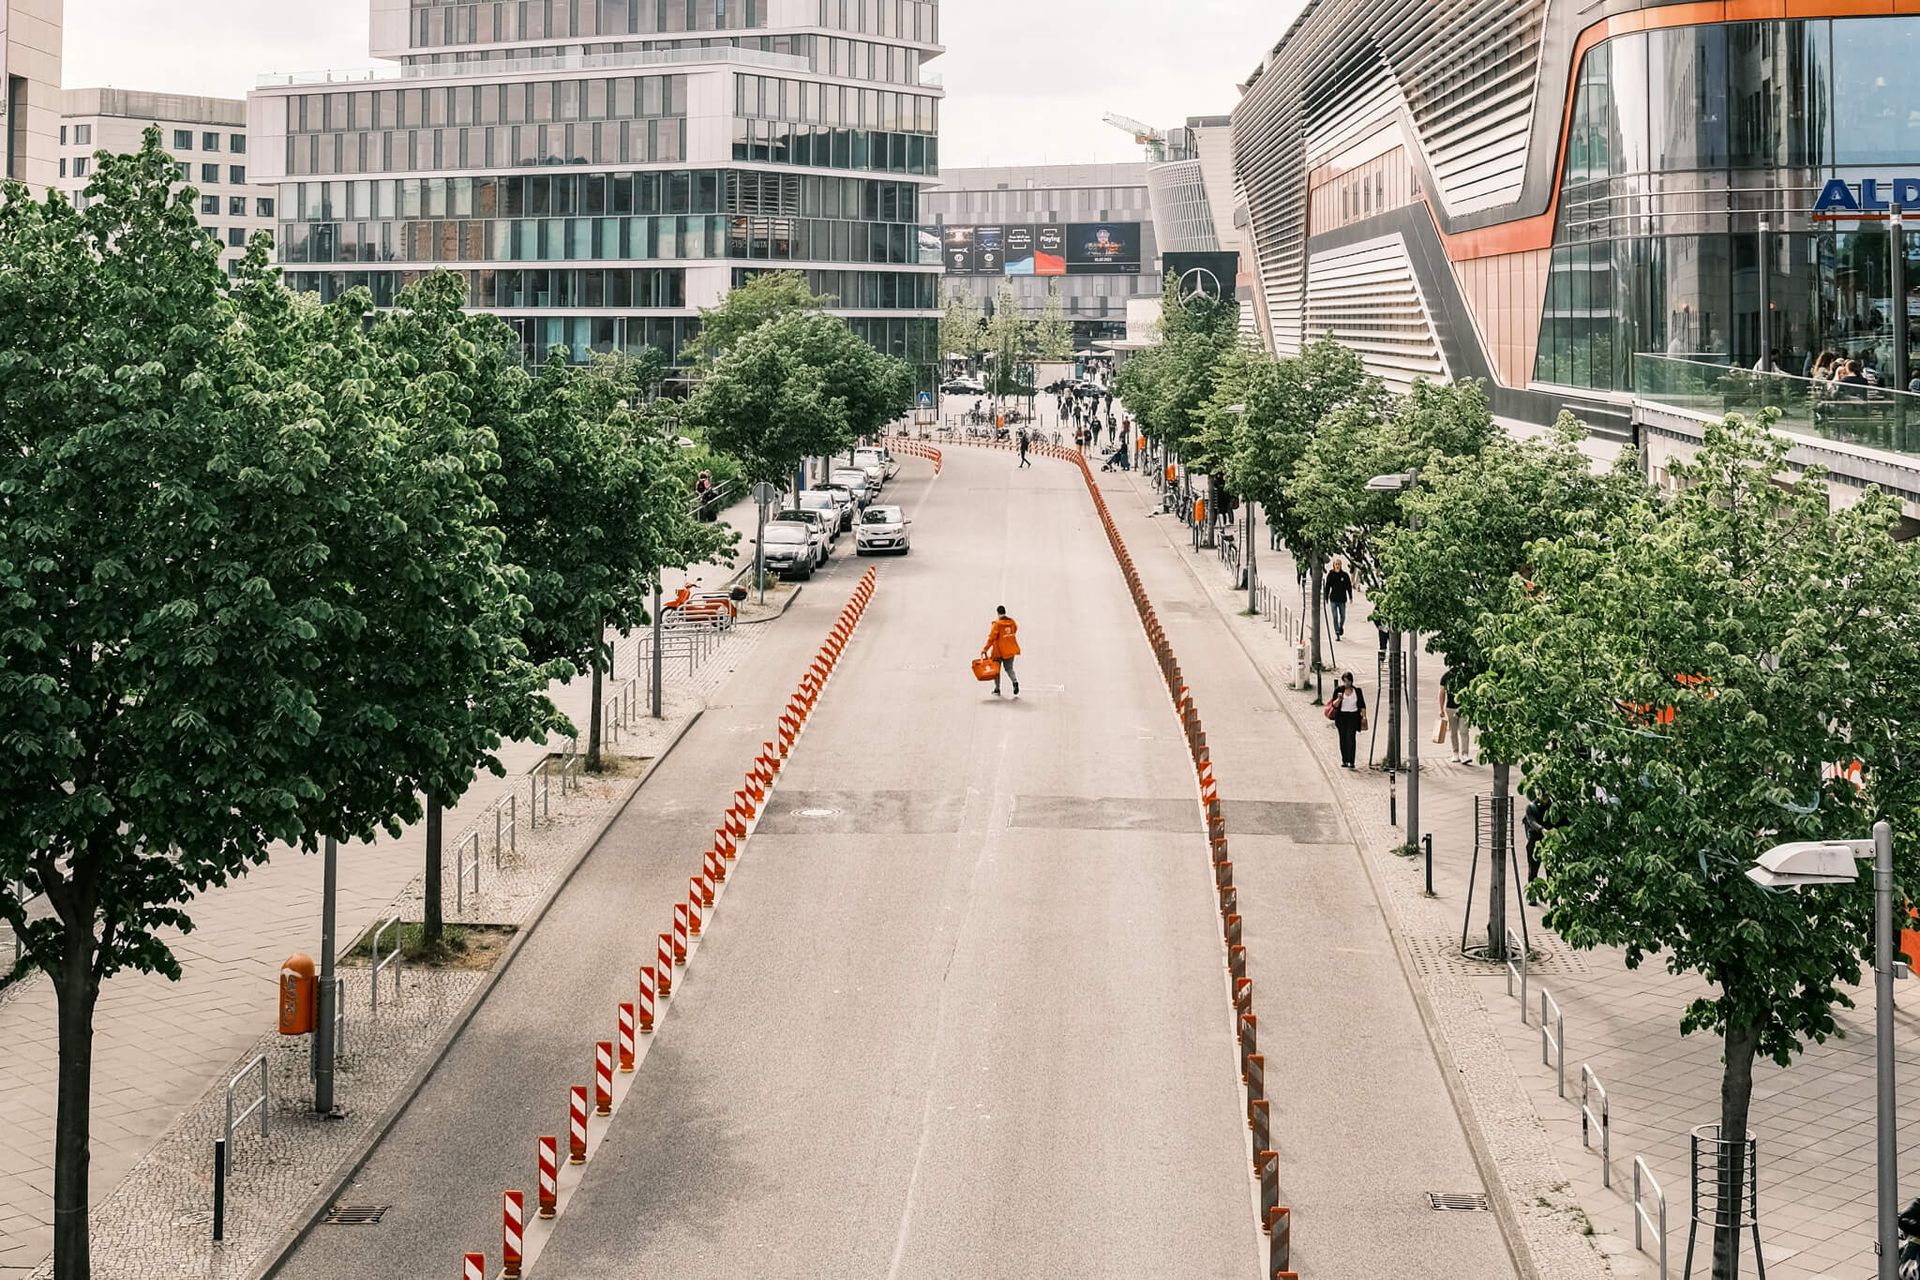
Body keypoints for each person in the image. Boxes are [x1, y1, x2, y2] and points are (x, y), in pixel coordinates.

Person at [1330, 672, 1366, 769]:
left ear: (1351, 681)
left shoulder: (1357, 691)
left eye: (1348, 681)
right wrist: (1339, 699)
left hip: (1353, 717)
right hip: (1341, 717)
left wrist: (1364, 717)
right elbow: (1334, 705)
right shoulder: (1339, 690)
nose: (1346, 683)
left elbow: (1362, 705)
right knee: (1343, 739)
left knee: (1351, 738)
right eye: (1345, 681)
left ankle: (1351, 761)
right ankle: (1344, 760)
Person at [983, 605, 1021, 697]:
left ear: (998, 613)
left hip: (998, 652)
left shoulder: (997, 624)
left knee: (996, 671)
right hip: (1010, 650)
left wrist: (985, 649)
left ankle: (997, 689)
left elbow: (991, 638)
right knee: (1009, 668)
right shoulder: (1012, 622)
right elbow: (1015, 629)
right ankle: (1015, 682)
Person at [1439, 667, 1472, 764]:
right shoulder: (1446, 676)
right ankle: (1455, 753)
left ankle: (1465, 754)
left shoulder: (1465, 676)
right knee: (1453, 731)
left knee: (1464, 731)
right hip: (1451, 707)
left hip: (1464, 707)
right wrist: (1441, 709)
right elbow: (1442, 692)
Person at [1325, 557, 1354, 640]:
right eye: (1336, 564)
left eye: (1339, 564)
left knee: (1343, 616)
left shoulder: (1344, 575)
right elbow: (1327, 587)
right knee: (1335, 617)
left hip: (1342, 599)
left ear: (1341, 565)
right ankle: (1337, 632)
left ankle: (1340, 626)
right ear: (1333, 565)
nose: (1337, 566)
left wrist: (1350, 596)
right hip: (1333, 599)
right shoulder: (1331, 575)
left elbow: (1349, 586)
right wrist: (1326, 597)